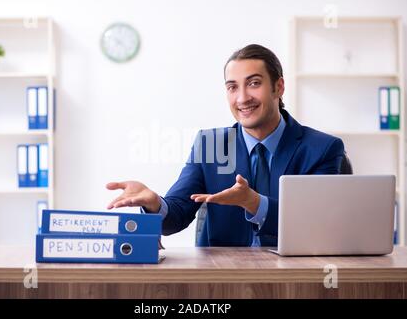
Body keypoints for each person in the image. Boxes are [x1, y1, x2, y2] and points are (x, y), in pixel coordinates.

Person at [106, 44, 345, 247]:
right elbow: (176, 216)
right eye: (232, 87)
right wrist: (154, 204)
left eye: (253, 83)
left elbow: (318, 224)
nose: (242, 98)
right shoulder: (210, 144)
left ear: (278, 87)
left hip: (293, 279)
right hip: (222, 279)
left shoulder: (322, 148)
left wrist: (254, 203)